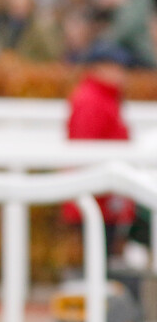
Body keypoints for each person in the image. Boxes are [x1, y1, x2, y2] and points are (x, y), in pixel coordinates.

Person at [61, 42, 134, 258]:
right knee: (98, 256)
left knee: (103, 255)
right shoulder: (92, 99)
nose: (121, 73)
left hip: (105, 192)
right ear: (99, 67)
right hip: (98, 192)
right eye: (115, 67)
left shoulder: (103, 96)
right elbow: (86, 147)